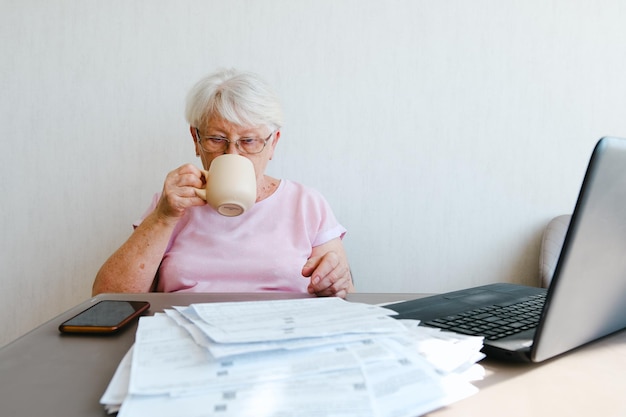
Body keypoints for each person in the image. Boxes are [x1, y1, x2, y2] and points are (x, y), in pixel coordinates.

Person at [92, 69, 354, 298]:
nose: (232, 154)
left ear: (273, 143)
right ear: (196, 139)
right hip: (188, 337)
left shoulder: (306, 203)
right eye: (217, 139)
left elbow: (344, 291)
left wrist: (335, 283)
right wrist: (163, 217)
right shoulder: (172, 204)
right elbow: (108, 297)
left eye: (249, 140)